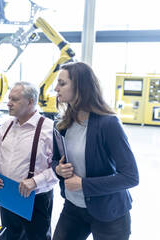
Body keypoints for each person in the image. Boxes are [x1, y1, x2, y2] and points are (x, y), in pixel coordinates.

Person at [51, 62, 139, 240]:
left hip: (109, 213)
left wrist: (83, 184)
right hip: (73, 207)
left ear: (80, 86)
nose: (56, 88)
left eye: (62, 83)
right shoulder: (62, 124)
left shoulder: (108, 124)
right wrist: (58, 169)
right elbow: (54, 160)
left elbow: (130, 176)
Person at [0, 82, 58, 240]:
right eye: (9, 98)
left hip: (36, 200)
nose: (8, 103)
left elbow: (59, 169)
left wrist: (35, 181)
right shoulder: (5, 126)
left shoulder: (49, 129)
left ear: (30, 101)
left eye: (14, 99)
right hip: (7, 196)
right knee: (9, 237)